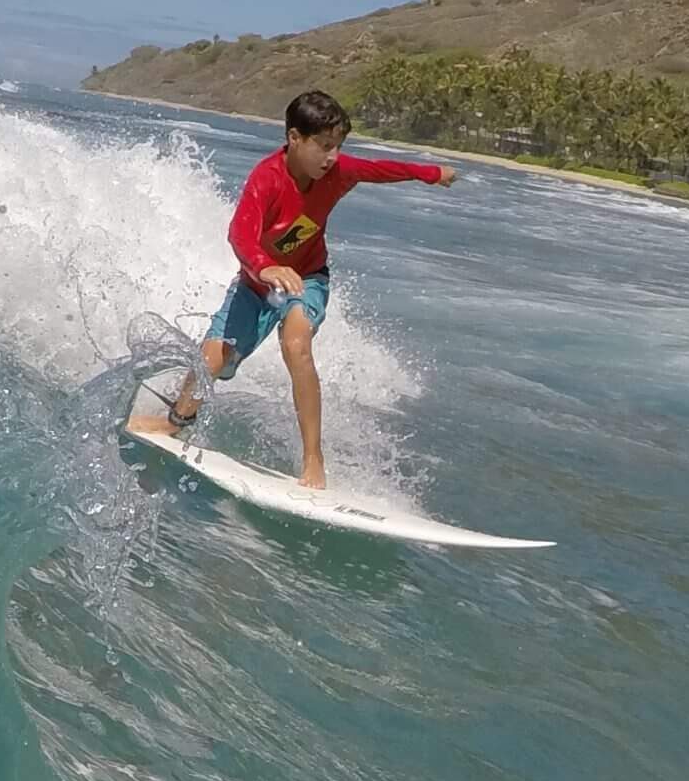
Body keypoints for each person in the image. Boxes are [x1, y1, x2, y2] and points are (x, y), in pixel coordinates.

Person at [129, 90, 455, 488]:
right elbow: (240, 234)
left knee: (296, 343)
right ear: (294, 138)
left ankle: (313, 459)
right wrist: (266, 268)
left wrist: (432, 174)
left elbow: (382, 169)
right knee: (211, 361)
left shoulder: (337, 172)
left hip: (309, 278)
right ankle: (176, 422)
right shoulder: (266, 180)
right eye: (324, 146)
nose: (332, 157)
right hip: (255, 284)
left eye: (338, 147)